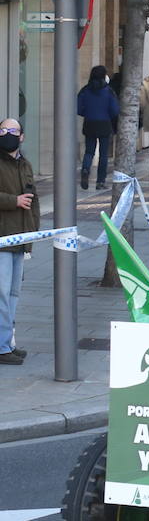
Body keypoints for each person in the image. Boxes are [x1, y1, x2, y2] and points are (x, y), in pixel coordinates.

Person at [0, 118, 37, 365]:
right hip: (3, 238)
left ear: (21, 136)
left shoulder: (25, 164)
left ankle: (7, 342)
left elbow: (33, 201)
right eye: (2, 130)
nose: (7, 134)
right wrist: (13, 201)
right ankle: (2, 348)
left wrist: (33, 235)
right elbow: (20, 200)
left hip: (21, 238)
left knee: (13, 294)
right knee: (2, 294)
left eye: (12, 130)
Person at [77, 65, 119, 190]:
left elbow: (78, 108)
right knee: (103, 154)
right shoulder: (108, 91)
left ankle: (85, 168)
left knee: (89, 151)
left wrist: (88, 113)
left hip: (89, 122)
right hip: (104, 123)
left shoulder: (85, 90)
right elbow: (115, 110)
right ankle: (100, 181)